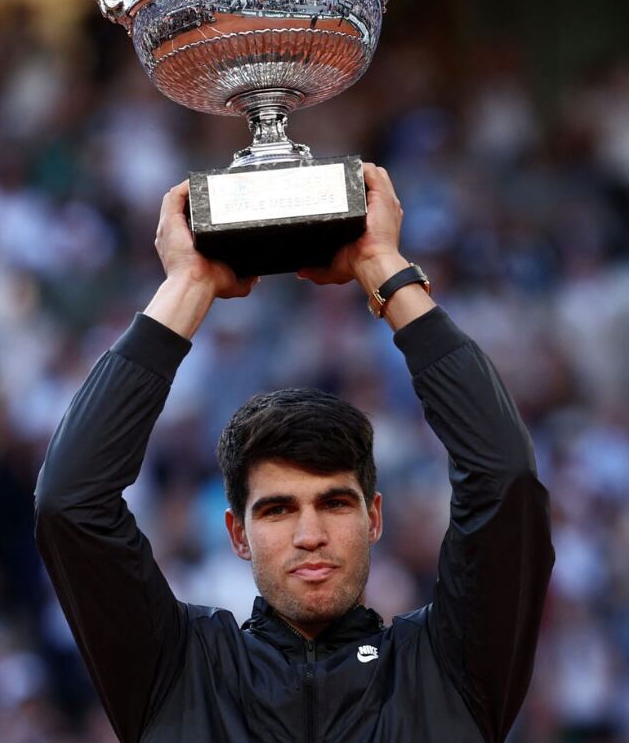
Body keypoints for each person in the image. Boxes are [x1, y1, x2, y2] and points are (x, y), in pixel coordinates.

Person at [35, 163, 555, 742]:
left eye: (334, 503)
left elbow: (505, 477)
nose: (311, 533)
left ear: (374, 517)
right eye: (277, 509)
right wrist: (187, 285)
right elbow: (69, 501)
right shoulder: (179, 671)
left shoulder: (449, 666)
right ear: (236, 534)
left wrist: (382, 265)